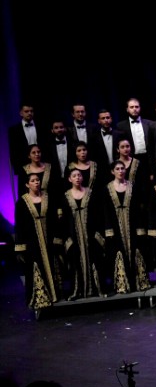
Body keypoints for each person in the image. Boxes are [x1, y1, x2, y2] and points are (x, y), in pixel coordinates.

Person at [13, 173, 63, 310]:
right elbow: (20, 225)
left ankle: (56, 294)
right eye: (33, 180)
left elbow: (54, 221)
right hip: (32, 243)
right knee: (36, 268)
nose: (36, 182)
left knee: (53, 266)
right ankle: (40, 298)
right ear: (27, 184)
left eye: (38, 180)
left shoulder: (47, 198)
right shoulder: (22, 203)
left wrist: (57, 239)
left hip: (48, 241)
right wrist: (20, 247)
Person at [102, 160, 151, 295]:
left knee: (135, 251)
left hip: (132, 224)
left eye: (122, 168)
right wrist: (109, 229)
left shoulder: (132, 186)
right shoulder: (107, 189)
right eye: (117, 169)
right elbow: (106, 210)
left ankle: (138, 282)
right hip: (116, 226)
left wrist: (140, 228)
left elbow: (137, 209)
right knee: (118, 252)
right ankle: (122, 284)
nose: (120, 171)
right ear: (113, 172)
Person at [60, 168, 105, 300]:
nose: (78, 178)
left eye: (79, 175)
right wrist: (67, 239)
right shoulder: (66, 196)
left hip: (91, 235)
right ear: (70, 179)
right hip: (74, 236)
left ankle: (98, 289)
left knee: (95, 261)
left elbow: (98, 214)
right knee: (75, 263)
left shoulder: (90, 193)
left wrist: (98, 235)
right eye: (74, 176)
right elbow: (64, 219)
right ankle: (76, 291)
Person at [116, 97, 154, 169]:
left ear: (140, 108)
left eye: (136, 107)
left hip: (148, 159)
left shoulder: (150, 124)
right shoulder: (120, 126)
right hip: (131, 159)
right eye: (131, 107)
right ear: (127, 109)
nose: (134, 109)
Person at [8, 103, 39, 177]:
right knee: (24, 187)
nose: (29, 113)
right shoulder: (14, 130)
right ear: (21, 113)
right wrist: (17, 168)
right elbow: (13, 150)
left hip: (40, 164)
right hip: (23, 165)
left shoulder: (41, 126)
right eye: (26, 111)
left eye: (31, 111)